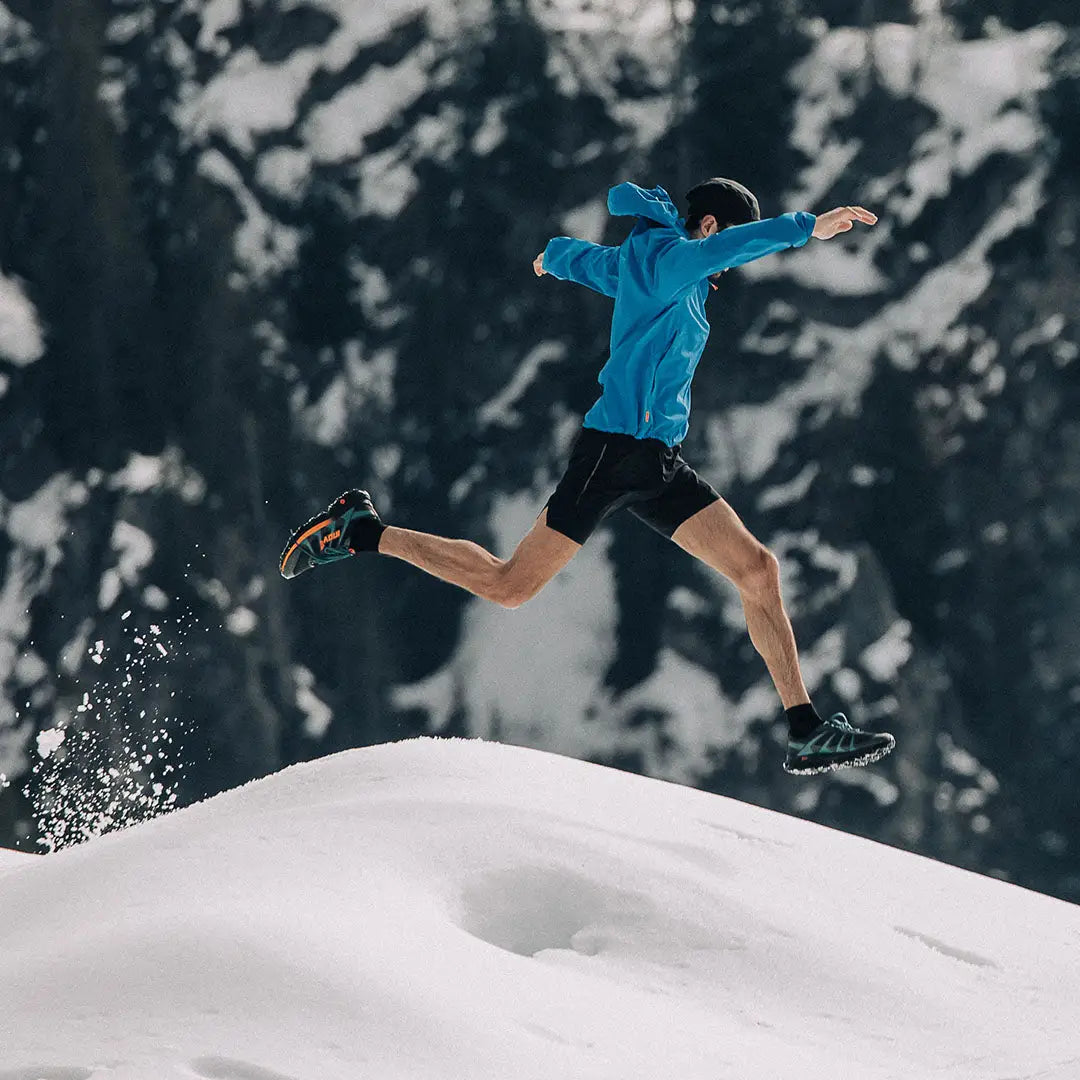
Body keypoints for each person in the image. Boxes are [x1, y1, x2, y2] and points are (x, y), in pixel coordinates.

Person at [279, 178, 895, 775]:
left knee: (758, 570)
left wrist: (556, 257)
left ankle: (805, 729)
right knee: (509, 585)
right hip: (612, 455)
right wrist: (809, 227)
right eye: (724, 238)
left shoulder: (662, 272)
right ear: (708, 225)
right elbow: (722, 249)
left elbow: (596, 265)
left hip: (659, 462)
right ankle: (362, 532)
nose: (728, 263)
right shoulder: (672, 260)